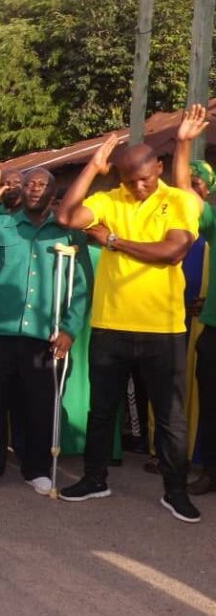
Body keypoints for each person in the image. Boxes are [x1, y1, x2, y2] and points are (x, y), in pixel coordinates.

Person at [55, 133, 200, 523]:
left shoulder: (180, 200)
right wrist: (92, 167)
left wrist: (114, 241)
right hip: (110, 325)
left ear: (159, 168)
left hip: (163, 328)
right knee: (102, 410)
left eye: (145, 179)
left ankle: (175, 491)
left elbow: (172, 252)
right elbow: (66, 217)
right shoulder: (108, 200)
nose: (138, 187)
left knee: (170, 416)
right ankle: (94, 479)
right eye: (129, 180)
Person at [0, 166, 89, 495]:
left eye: (42, 185)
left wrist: (70, 328)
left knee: (38, 406)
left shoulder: (68, 233)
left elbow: (80, 286)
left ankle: (36, 468)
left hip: (43, 334)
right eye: (30, 184)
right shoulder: (1, 223)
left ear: (53, 194)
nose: (34, 189)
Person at [171, 104, 216, 496]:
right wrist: (183, 144)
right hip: (214, 332)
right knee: (212, 405)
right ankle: (210, 472)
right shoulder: (214, 219)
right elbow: (185, 195)